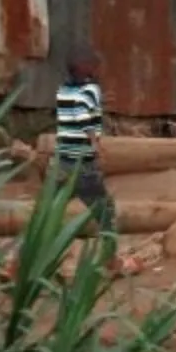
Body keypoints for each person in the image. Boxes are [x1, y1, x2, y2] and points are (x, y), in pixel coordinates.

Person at [53, 49, 117, 230]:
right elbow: (82, 115)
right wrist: (95, 144)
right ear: (89, 69)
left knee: (49, 209)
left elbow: (76, 105)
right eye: (98, 67)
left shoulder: (63, 90)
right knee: (104, 211)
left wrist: (99, 102)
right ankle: (109, 250)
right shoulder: (91, 90)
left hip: (62, 159)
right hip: (83, 162)